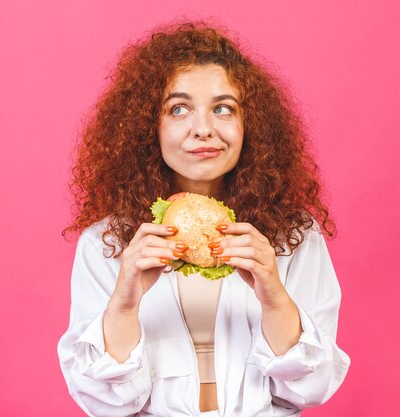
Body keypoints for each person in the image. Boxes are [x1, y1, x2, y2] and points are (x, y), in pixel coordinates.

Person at [57, 20, 350, 417]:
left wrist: (274, 295)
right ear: (150, 128)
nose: (204, 130)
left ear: (250, 126)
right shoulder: (107, 243)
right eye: (179, 109)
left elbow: (308, 390)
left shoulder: (293, 236)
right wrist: (124, 304)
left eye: (223, 109)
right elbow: (106, 402)